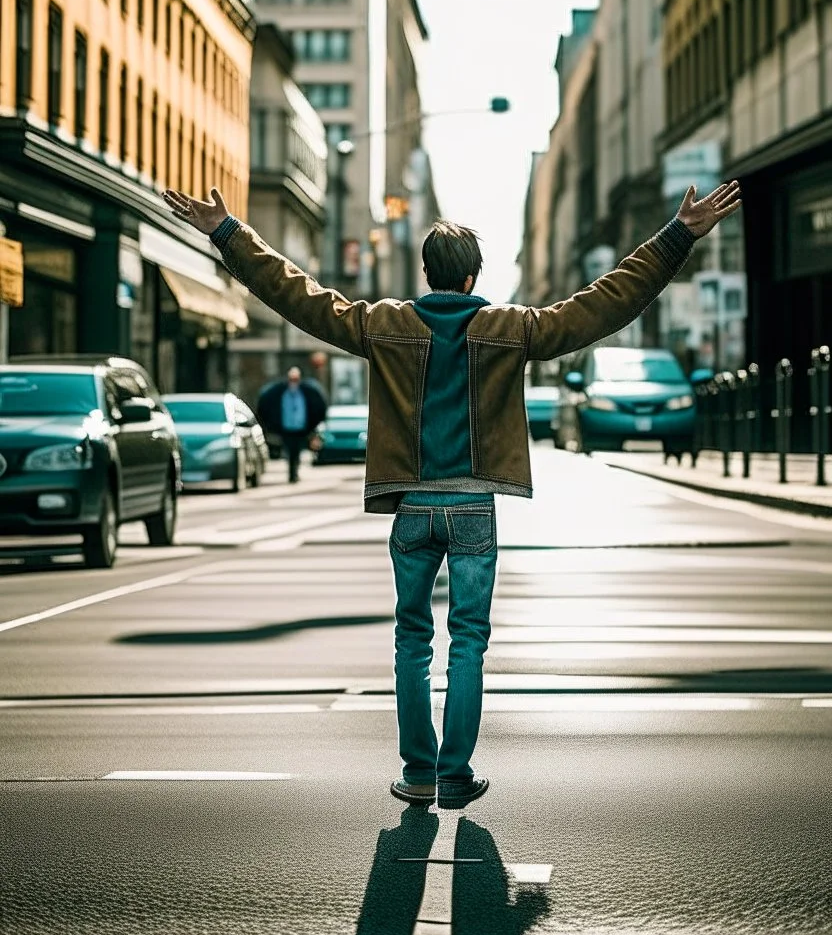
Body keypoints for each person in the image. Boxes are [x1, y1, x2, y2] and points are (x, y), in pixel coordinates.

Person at [164, 179, 741, 809]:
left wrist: (227, 232)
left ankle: (416, 770)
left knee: (412, 637)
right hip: (474, 508)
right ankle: (454, 772)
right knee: (468, 639)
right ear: (473, 277)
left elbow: (296, 294)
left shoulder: (381, 324)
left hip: (410, 506)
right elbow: (606, 302)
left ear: (427, 271)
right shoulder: (512, 328)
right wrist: (678, 234)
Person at [257, 366, 327, 483]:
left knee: (297, 451)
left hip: (301, 428)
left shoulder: (307, 392)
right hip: (286, 428)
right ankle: (292, 473)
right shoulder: (279, 393)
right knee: (289, 451)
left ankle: (294, 472)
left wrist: (312, 425)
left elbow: (317, 408)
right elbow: (266, 407)